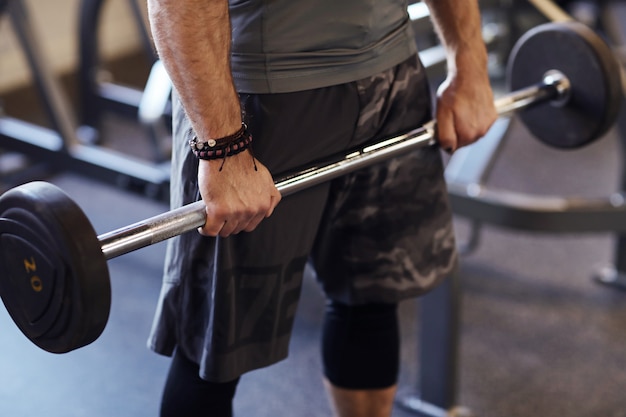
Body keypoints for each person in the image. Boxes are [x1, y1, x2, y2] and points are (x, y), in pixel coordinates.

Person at [146, 0, 498, 416]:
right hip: (256, 100)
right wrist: (223, 146)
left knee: (372, 296)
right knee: (211, 345)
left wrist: (470, 62)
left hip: (391, 77)